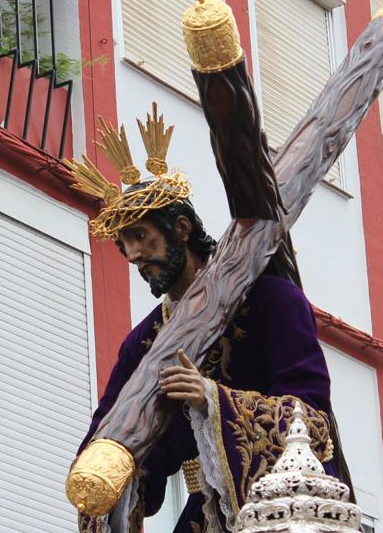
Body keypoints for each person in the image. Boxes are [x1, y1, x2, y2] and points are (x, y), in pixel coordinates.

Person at [65, 108, 341, 533]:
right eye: (124, 245)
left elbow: (312, 417)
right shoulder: (144, 342)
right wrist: (110, 471)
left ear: (180, 228)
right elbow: (111, 429)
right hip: (209, 509)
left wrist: (212, 400)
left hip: (287, 503)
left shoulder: (272, 300)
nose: (133, 255)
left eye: (141, 236)